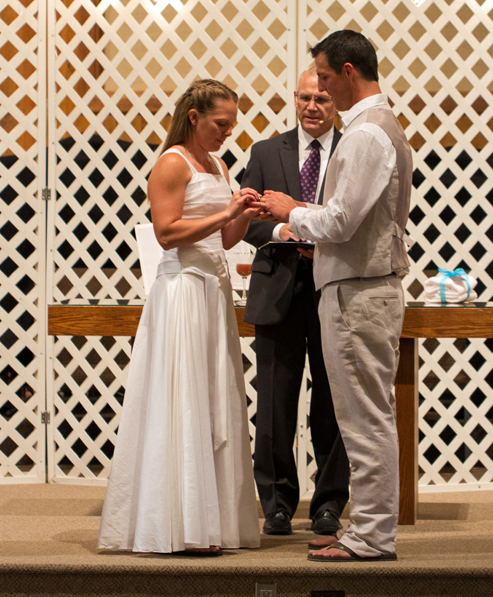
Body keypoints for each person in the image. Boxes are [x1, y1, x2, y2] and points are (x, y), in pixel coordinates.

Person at [261, 30, 412, 562]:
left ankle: (372, 535)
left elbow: (342, 220)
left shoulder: (368, 134)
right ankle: (368, 530)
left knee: (364, 418)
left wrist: (289, 211)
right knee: (363, 415)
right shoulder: (376, 127)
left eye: (324, 78)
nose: (318, 90)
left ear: (349, 72)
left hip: (358, 294)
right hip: (359, 285)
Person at [98, 79, 262, 556]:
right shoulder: (172, 162)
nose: (227, 133)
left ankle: (212, 521)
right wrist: (226, 211)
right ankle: (175, 521)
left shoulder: (218, 164)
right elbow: (168, 232)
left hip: (213, 290)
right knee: (182, 397)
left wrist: (244, 212)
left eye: (232, 125)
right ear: (194, 117)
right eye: (220, 124)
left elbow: (227, 240)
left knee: (213, 396)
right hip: (182, 291)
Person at [241, 68, 350, 537]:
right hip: (278, 287)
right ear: (294, 99)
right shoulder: (266, 152)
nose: (312, 106)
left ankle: (328, 504)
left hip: (335, 288)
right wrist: (283, 230)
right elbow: (247, 221)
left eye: (321, 99)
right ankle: (278, 503)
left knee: (332, 403)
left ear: (335, 103)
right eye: (305, 97)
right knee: (274, 405)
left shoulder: (354, 149)